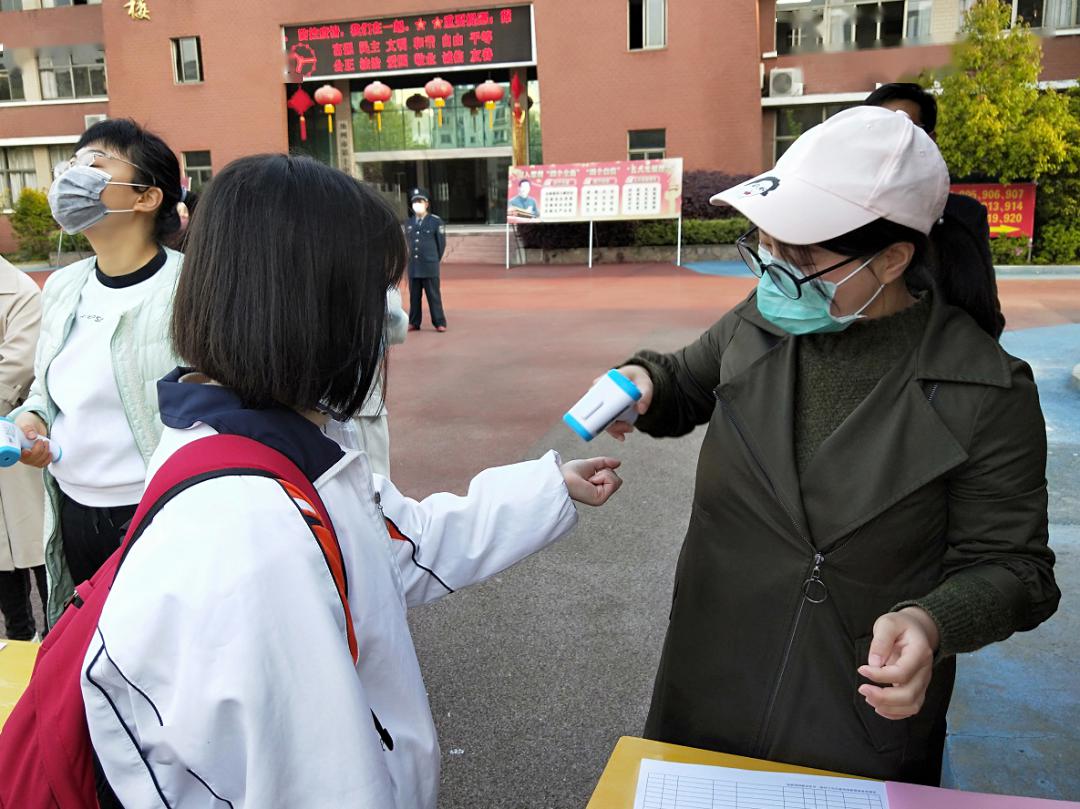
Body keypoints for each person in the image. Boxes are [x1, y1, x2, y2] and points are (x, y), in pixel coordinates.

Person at [81, 154, 623, 808]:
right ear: (314, 307)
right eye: (372, 291)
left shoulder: (264, 442)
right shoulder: (257, 534)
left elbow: (394, 541)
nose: (386, 318)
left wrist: (548, 487)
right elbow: (324, 785)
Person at [606, 107, 1058, 785]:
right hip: (705, 682)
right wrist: (642, 381)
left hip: (851, 721)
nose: (773, 270)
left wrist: (932, 621)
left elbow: (1018, 569)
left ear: (893, 259)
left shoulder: (986, 389)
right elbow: (683, 381)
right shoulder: (760, 319)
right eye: (763, 244)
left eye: (802, 256)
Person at [12, 119, 183, 626]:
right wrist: (31, 423)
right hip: (72, 511)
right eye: (71, 165)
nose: (72, 177)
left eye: (95, 164)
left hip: (153, 512)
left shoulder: (188, 289)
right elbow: (46, 391)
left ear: (147, 197)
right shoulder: (64, 286)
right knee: (86, 655)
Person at [864, 82, 1004, 338]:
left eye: (907, 130)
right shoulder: (848, 212)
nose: (893, 143)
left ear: (931, 139)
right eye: (879, 130)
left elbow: (986, 309)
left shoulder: (964, 216)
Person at [0, 254, 46, 641]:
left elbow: (14, 370)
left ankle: (55, 643)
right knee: (1, 562)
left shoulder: (21, 293)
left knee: (40, 548)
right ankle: (19, 639)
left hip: (20, 441)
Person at [349, 285, 409, 476]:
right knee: (374, 484)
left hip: (309, 407)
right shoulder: (373, 276)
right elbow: (396, 327)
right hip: (361, 403)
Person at [405, 187, 448, 332]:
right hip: (414, 266)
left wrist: (434, 259)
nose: (417, 204)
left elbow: (441, 245)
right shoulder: (409, 223)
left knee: (433, 296)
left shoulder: (436, 222)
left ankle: (439, 322)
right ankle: (414, 322)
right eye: (415, 202)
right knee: (414, 297)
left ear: (427, 204)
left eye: (420, 201)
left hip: (429, 266)